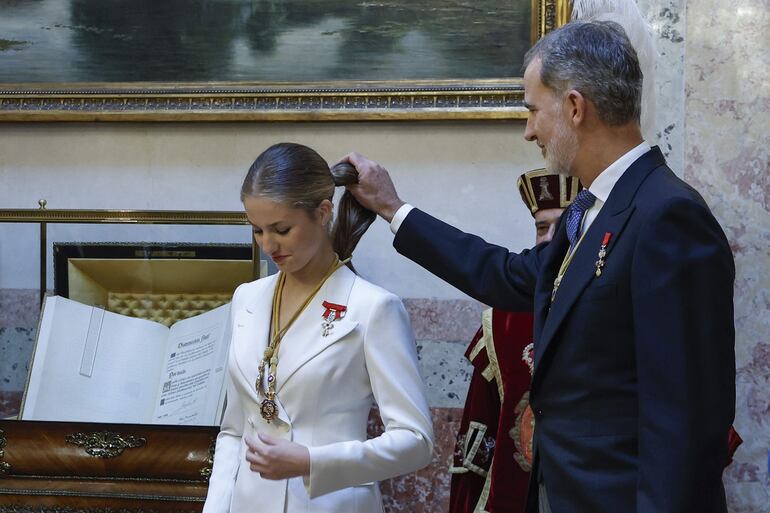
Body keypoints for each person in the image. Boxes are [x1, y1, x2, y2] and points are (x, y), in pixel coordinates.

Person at [343, 20, 735, 513]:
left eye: (532, 110)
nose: (528, 131)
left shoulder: (668, 215)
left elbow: (688, 418)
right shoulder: (590, 209)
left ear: (574, 107)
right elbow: (511, 276)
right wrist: (392, 208)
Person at [202, 142, 434, 513]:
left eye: (281, 229)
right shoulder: (247, 298)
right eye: (257, 231)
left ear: (323, 212)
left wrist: (312, 461)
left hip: (331, 504)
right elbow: (234, 431)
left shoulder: (373, 307)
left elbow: (416, 441)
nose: (268, 245)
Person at [449, 170, 580, 513]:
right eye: (541, 227)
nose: (549, 239)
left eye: (561, 226)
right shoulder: (503, 320)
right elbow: (478, 433)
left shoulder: (620, 307)